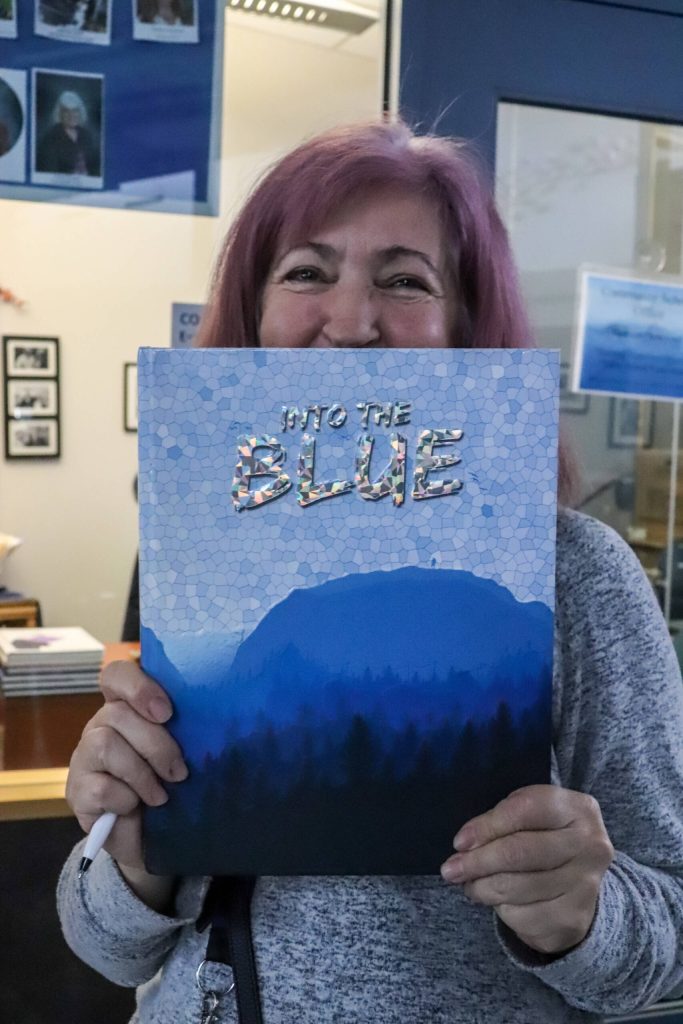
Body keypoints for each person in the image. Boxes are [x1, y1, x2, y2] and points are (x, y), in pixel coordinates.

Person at [58, 120, 683, 1023]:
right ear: (251, 316)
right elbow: (109, 953)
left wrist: (582, 911)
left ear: (467, 326)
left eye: (405, 281)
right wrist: (125, 853)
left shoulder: (575, 574)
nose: (350, 325)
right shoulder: (200, 560)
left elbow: (665, 946)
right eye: (306, 272)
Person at [36, 90, 100, 177]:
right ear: (60, 114)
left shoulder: (86, 135)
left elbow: (95, 166)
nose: (71, 115)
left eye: (75, 111)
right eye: (66, 112)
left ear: (80, 112)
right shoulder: (50, 138)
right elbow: (49, 173)